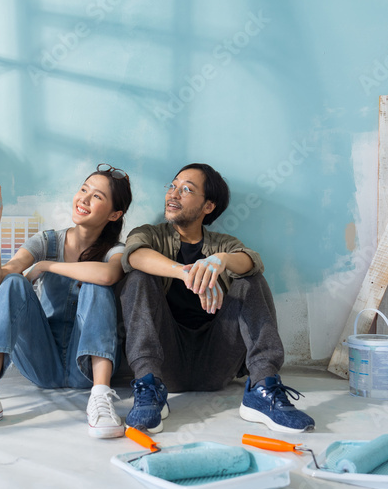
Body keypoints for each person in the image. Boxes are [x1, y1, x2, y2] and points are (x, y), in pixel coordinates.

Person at [0, 164, 132, 439]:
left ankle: (100, 397)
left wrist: (47, 265)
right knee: (13, 281)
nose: (84, 199)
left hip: (86, 367)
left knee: (97, 284)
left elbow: (109, 275)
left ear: (114, 214)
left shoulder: (116, 250)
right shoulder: (47, 240)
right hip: (42, 361)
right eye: (83, 190)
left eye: (97, 196)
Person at [119, 163, 314, 434]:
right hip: (165, 361)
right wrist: (185, 273)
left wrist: (221, 260)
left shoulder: (223, 243)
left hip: (216, 361)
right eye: (172, 186)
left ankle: (263, 388)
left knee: (250, 280)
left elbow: (252, 261)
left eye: (186, 189)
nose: (173, 194)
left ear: (208, 206)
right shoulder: (150, 235)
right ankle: (149, 387)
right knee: (138, 277)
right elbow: (133, 255)